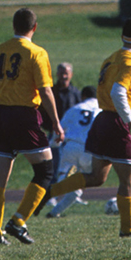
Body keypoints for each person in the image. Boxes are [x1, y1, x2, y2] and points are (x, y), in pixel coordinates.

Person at [45, 17, 131, 238]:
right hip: (116, 124)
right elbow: (117, 93)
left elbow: (111, 92)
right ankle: (127, 229)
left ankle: (51, 192)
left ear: (122, 36)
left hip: (101, 121)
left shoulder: (111, 59)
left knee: (97, 177)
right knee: (128, 178)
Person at [0, 8, 65, 245]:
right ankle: (18, 222)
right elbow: (45, 90)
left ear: (13, 26)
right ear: (35, 27)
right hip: (22, 116)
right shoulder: (36, 52)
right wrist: (57, 123)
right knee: (45, 170)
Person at [44, 85, 98, 218]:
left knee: (64, 179)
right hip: (90, 150)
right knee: (79, 186)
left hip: (71, 148)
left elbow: (60, 130)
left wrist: (52, 145)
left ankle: (47, 201)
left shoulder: (75, 109)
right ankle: (54, 211)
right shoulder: (101, 110)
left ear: (83, 97)